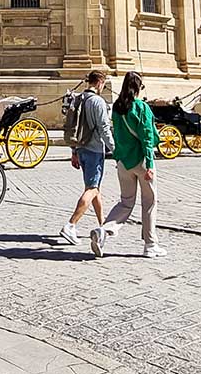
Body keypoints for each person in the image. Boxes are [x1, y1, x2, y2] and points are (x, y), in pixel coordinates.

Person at [91, 71, 164, 258]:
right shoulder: (141, 107)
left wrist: (118, 157)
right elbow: (147, 136)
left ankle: (104, 230)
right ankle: (150, 244)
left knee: (125, 202)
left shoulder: (117, 107)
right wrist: (149, 163)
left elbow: (116, 134)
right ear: (138, 87)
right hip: (140, 160)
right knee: (149, 202)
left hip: (123, 162)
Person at [60, 70, 114, 246]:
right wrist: (115, 149)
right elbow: (104, 128)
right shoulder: (98, 102)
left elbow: (72, 126)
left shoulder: (78, 98)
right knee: (91, 188)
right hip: (94, 150)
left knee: (94, 188)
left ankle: (103, 224)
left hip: (81, 148)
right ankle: (70, 225)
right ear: (99, 83)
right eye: (103, 84)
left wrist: (74, 151)